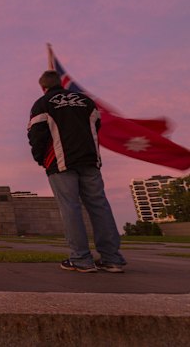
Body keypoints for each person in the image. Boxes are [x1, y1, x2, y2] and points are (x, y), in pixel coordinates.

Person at [28, 70, 126, 273]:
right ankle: (112, 259)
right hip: (90, 159)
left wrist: (40, 159)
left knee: (70, 208)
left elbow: (36, 134)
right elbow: (96, 125)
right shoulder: (86, 102)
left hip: (60, 161)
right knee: (99, 206)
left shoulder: (43, 103)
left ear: (43, 87)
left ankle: (81, 259)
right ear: (62, 83)